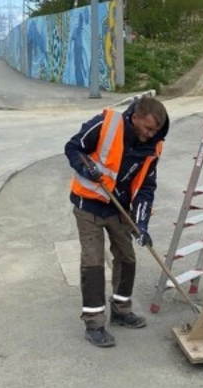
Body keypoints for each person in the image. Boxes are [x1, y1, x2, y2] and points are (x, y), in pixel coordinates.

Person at [64, 96, 169, 347]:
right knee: (94, 262)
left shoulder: (152, 146)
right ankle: (94, 323)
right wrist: (85, 166)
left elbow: (146, 187)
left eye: (156, 130)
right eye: (148, 128)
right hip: (87, 203)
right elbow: (72, 147)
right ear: (135, 118)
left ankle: (121, 310)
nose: (151, 134)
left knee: (127, 257)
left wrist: (141, 224)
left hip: (117, 207)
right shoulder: (104, 124)